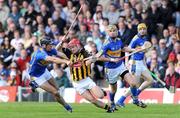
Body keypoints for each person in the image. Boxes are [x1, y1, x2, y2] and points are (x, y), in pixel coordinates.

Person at [95, 25, 147, 110]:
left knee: (133, 83)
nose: (113, 32)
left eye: (114, 30)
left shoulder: (119, 40)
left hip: (120, 66)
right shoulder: (106, 44)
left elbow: (123, 49)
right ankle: (112, 102)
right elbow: (99, 57)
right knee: (113, 90)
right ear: (108, 33)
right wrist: (111, 59)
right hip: (110, 69)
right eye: (111, 31)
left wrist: (135, 50)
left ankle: (135, 99)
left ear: (117, 31)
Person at [56, 38, 114, 113]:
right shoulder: (69, 53)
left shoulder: (85, 53)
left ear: (78, 46)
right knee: (93, 100)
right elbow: (56, 51)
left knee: (101, 96)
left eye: (73, 47)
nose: (72, 49)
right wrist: (61, 41)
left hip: (86, 80)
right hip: (77, 84)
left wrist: (93, 60)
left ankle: (102, 91)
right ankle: (108, 108)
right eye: (70, 48)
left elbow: (93, 60)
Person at [28, 37, 72, 112]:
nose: (51, 46)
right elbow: (54, 59)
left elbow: (60, 54)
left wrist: (70, 59)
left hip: (44, 71)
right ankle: (66, 106)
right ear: (44, 46)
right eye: (50, 45)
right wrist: (65, 62)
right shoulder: (40, 54)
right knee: (55, 92)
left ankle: (34, 85)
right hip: (36, 76)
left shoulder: (51, 50)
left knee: (57, 90)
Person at [116, 23, 153, 107]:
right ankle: (120, 100)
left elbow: (143, 53)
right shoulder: (135, 39)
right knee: (134, 84)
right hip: (134, 63)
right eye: (141, 29)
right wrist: (126, 62)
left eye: (144, 29)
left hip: (141, 63)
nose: (142, 30)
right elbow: (127, 50)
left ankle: (135, 95)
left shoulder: (145, 39)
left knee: (150, 80)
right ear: (138, 30)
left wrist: (145, 65)